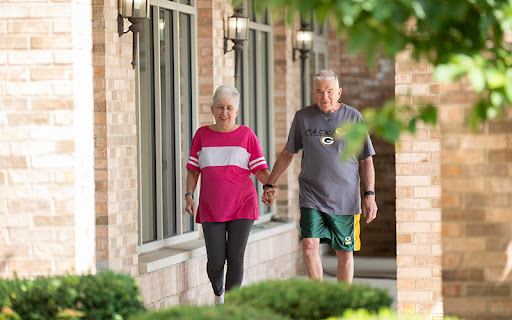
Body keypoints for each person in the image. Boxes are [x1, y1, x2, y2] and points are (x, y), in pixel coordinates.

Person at [262, 70, 378, 284]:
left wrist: (369, 195)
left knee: (344, 252)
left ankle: (341, 303)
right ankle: (320, 298)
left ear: (339, 92)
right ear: (313, 93)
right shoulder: (303, 117)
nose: (325, 97)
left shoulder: (353, 117)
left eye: (330, 91)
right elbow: (288, 153)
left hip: (345, 198)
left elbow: (366, 159)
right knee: (308, 246)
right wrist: (270, 183)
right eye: (320, 92)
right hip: (312, 194)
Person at [184, 85, 272, 305]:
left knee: (235, 258)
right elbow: (193, 170)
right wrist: (189, 195)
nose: (224, 112)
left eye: (229, 108)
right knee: (215, 260)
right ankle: (218, 292)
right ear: (212, 109)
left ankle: (232, 307)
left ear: (236, 111)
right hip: (211, 206)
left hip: (242, 204)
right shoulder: (202, 135)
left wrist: (271, 186)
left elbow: (260, 170)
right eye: (220, 107)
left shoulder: (246, 135)